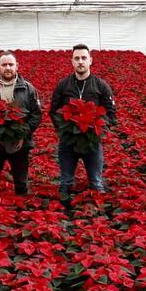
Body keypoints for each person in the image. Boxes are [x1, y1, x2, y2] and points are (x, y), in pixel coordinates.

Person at [50, 44, 117, 201]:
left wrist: (98, 130)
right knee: (65, 183)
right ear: (72, 61)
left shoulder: (101, 86)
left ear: (90, 61)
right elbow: (54, 111)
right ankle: (63, 215)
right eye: (77, 58)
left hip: (92, 143)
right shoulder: (63, 85)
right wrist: (64, 129)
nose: (80, 61)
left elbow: (111, 113)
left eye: (84, 58)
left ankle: (99, 215)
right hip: (68, 143)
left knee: (96, 183)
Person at [0, 51, 43, 196]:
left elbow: (36, 114)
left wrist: (24, 134)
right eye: (4, 65)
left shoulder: (28, 88)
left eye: (11, 64)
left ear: (17, 66)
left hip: (20, 144)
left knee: (21, 184)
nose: (8, 68)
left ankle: (21, 213)